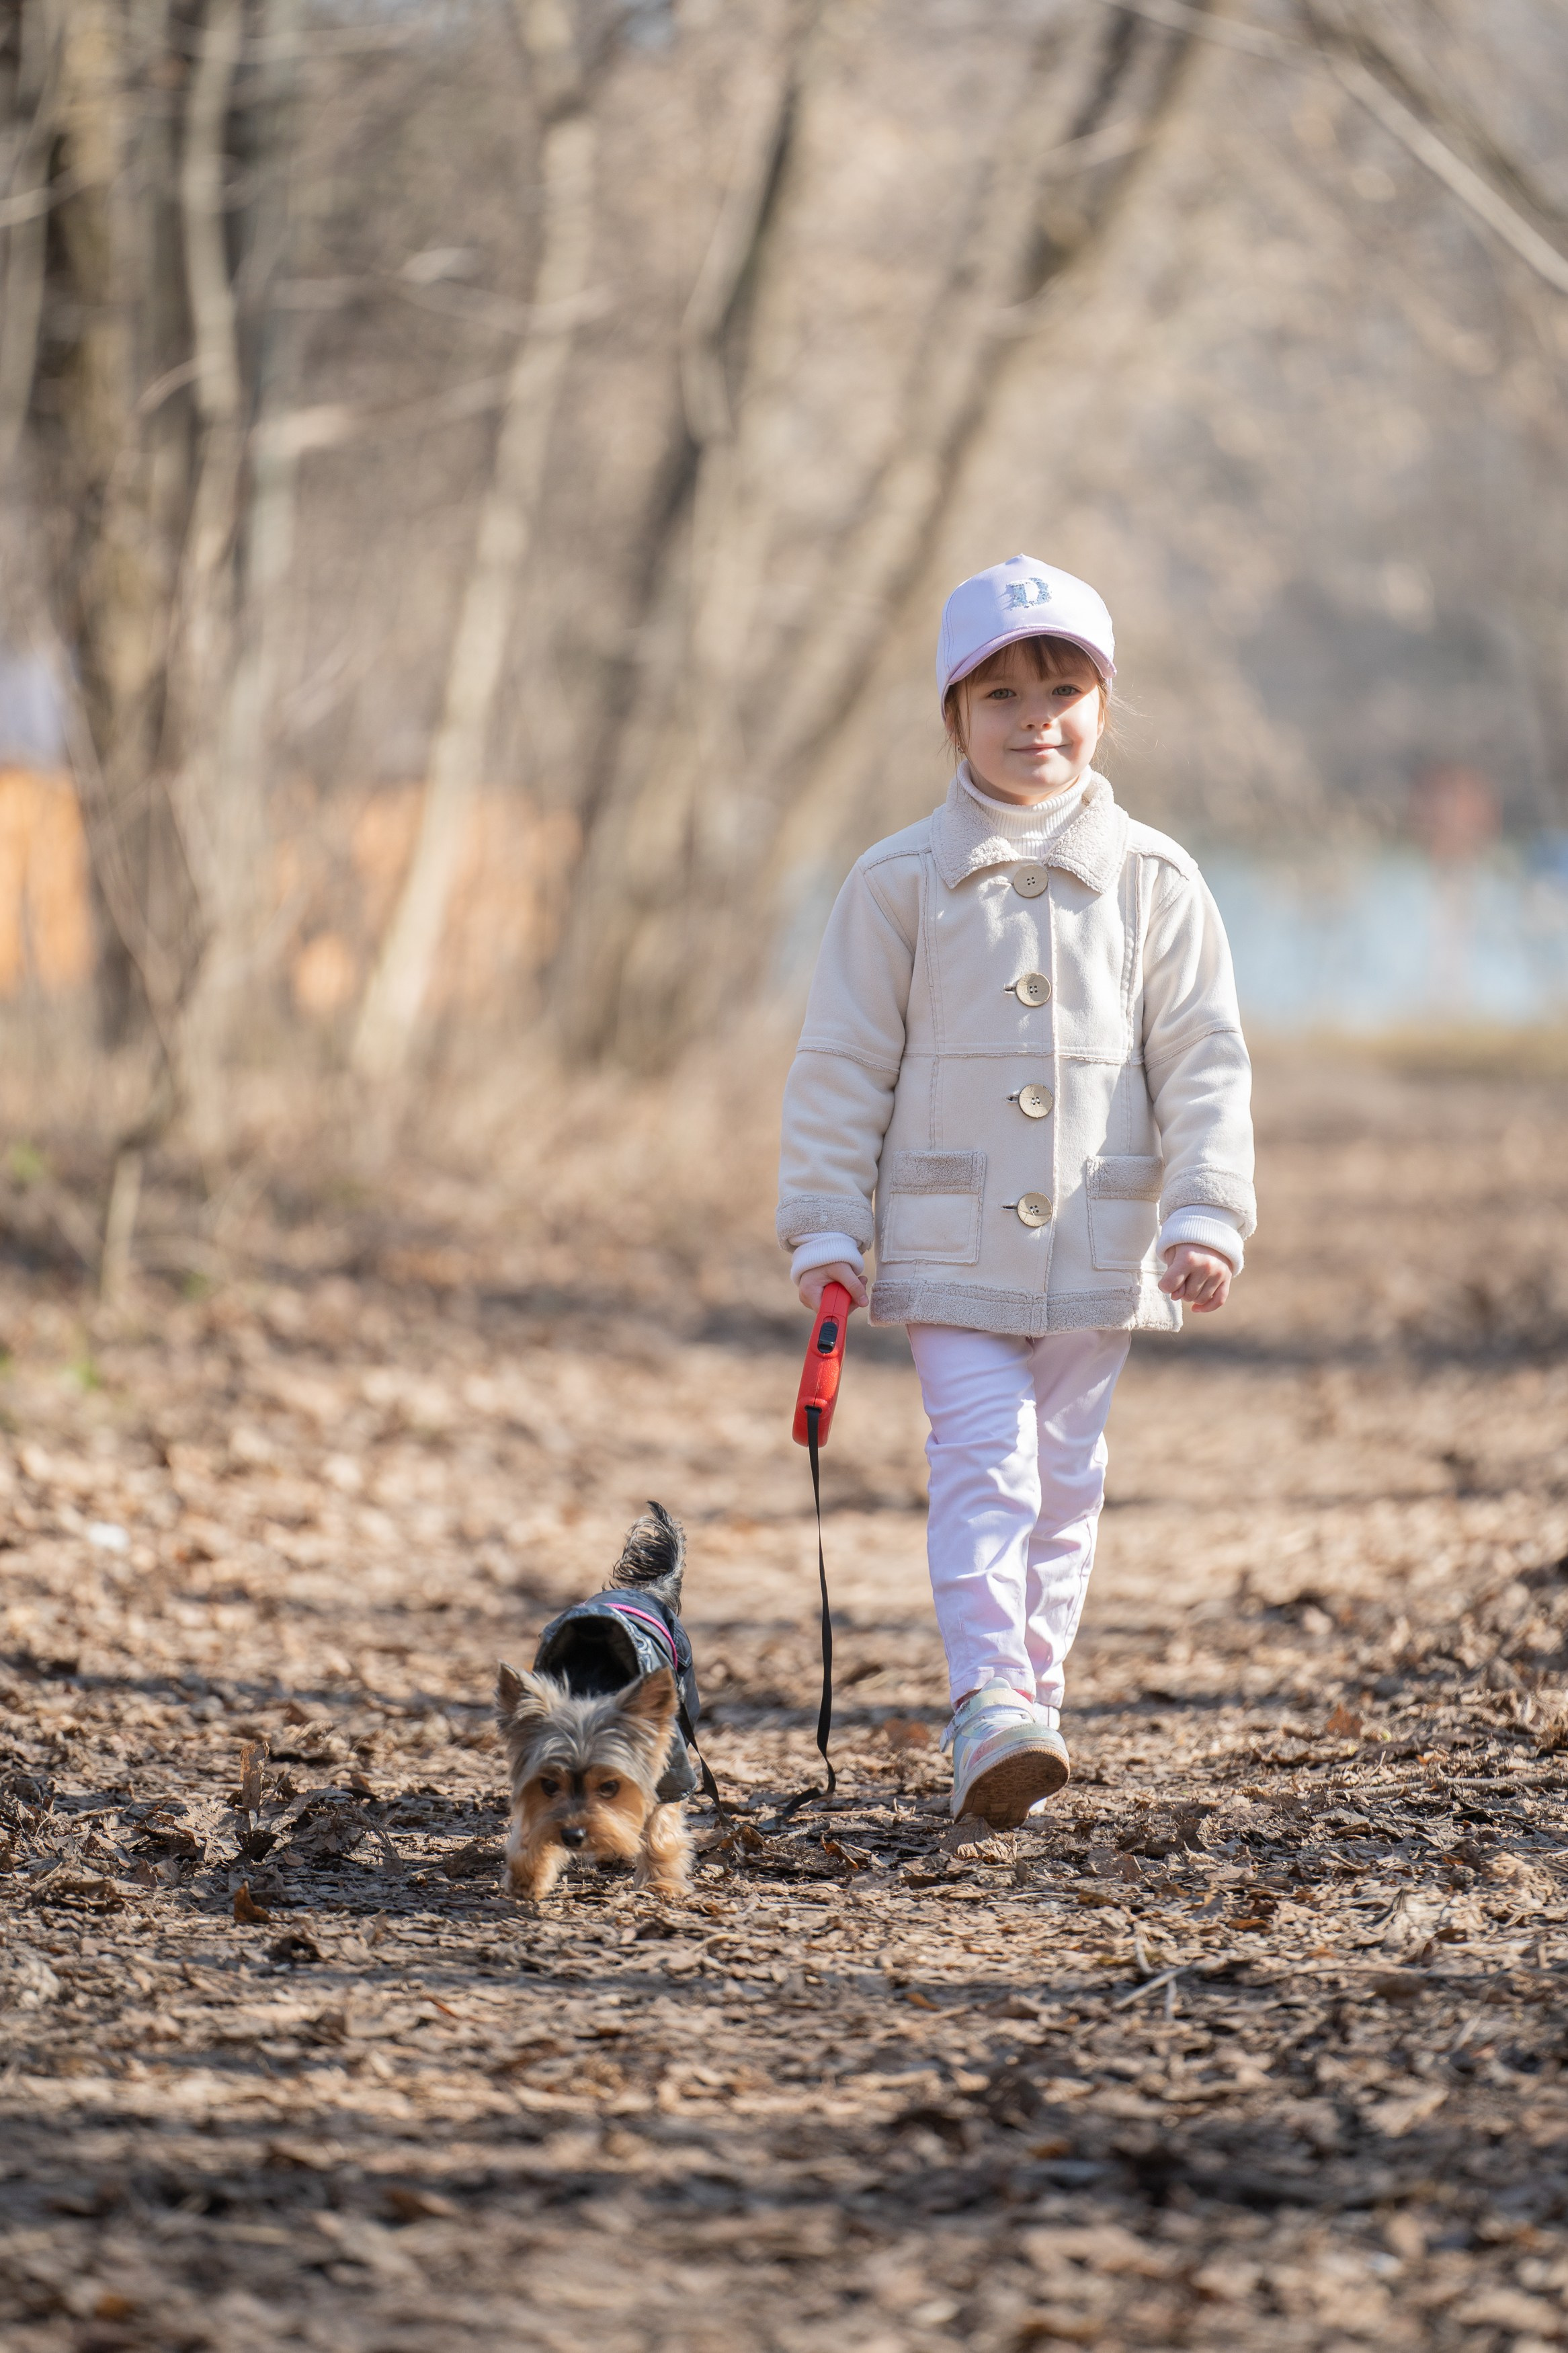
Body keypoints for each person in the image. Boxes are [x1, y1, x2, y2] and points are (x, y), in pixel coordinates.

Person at [777, 555, 1255, 1827]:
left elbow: (1203, 1056)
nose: (1035, 717)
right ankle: (989, 1699)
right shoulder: (895, 884)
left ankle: (1028, 1708)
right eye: (1000, 695)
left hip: (1100, 1240)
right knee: (984, 1462)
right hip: (945, 1238)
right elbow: (839, 1063)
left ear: (1102, 703)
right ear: (953, 714)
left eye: (1062, 688)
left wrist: (1206, 1210)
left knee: (1067, 1477)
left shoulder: (1157, 878)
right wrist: (825, 1222)